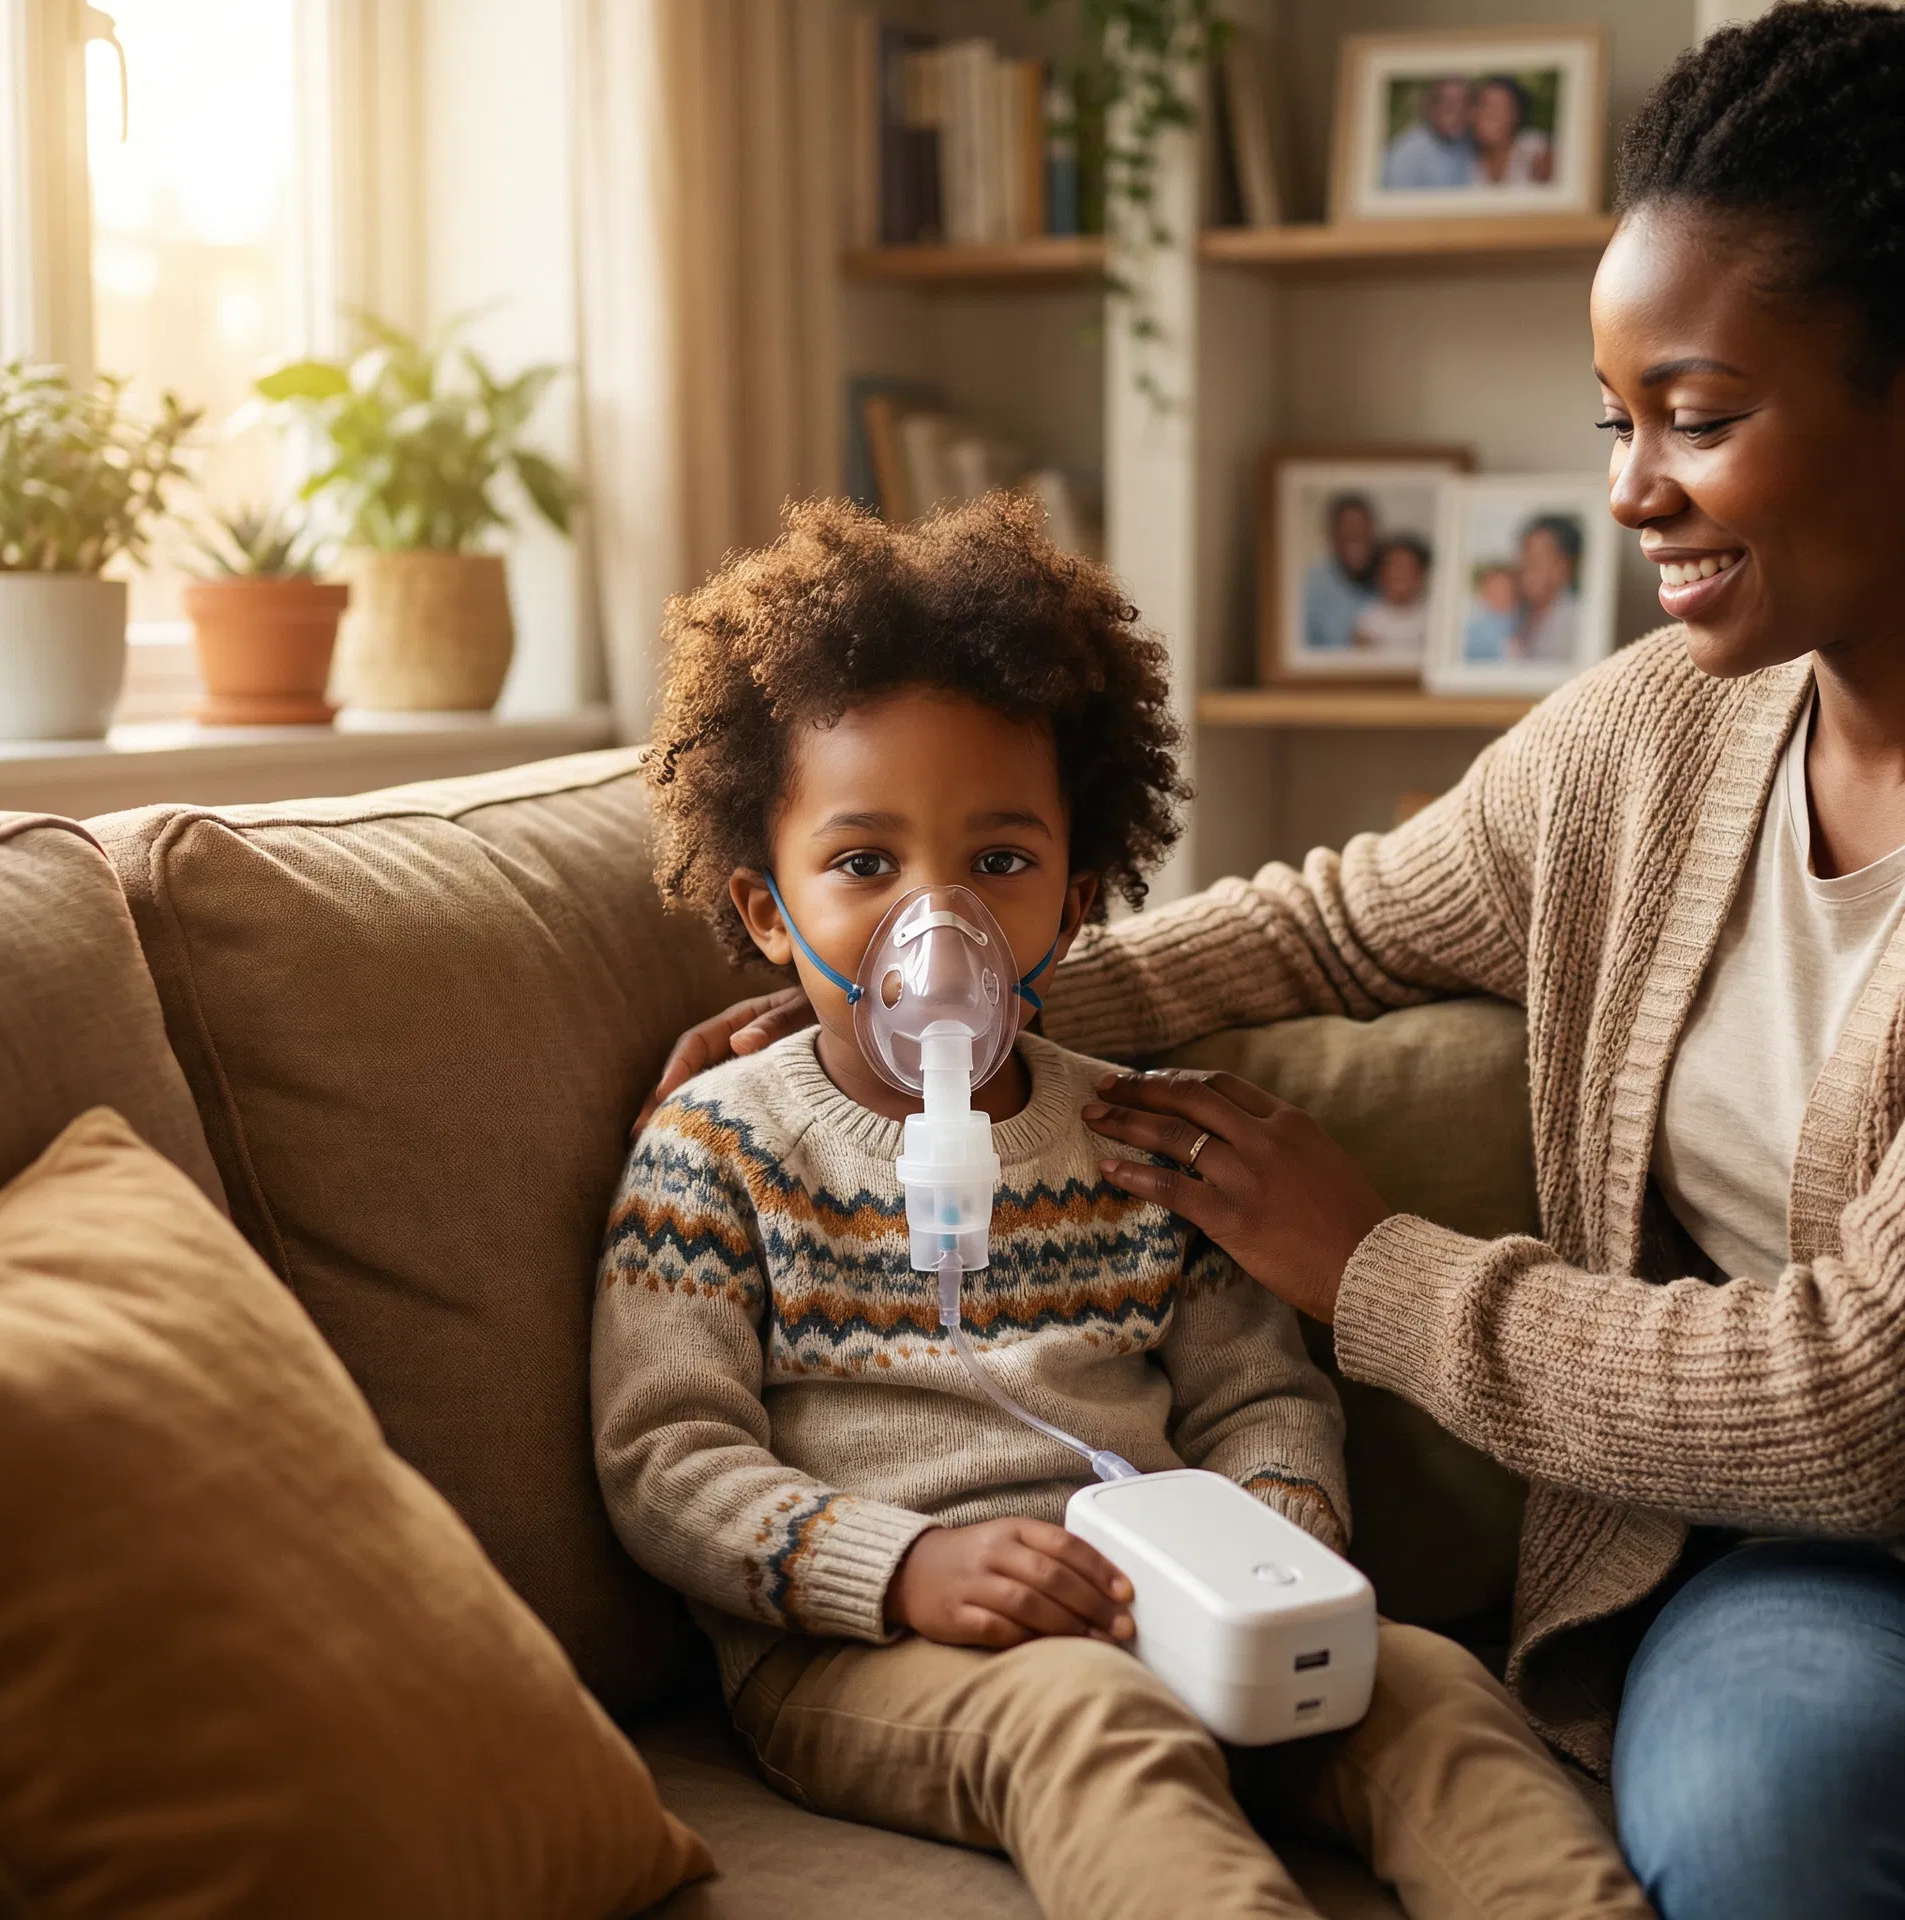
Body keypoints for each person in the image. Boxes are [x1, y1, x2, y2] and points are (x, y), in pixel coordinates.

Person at [637, 10, 1905, 1916]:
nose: (1633, 492)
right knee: (1761, 1815)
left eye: (1701, 419)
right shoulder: (1650, 745)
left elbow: (1863, 1400)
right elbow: (1334, 922)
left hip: (1847, 1479)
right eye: (1615, 424)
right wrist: (976, 1004)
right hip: (1780, 1573)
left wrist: (1374, 1279)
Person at [598, 495, 1651, 1920]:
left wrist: (1274, 1535)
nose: (938, 920)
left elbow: (1259, 1392)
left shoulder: (1130, 1132)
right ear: (770, 911)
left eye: (1000, 862)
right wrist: (898, 1567)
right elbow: (666, 1455)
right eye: (864, 865)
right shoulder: (717, 1148)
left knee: (1427, 1688)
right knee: (1098, 1723)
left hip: (1180, 1599)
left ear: (1075, 902)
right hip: (866, 1650)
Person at [1300, 491, 1378, 653]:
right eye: (1346, 529)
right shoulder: (1312, 587)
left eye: (1362, 527)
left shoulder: (1390, 576)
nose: (1356, 534)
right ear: (1331, 535)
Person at [1508, 515, 1581, 663]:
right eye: (1524, 556)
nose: (1526, 566)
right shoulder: (1513, 613)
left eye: (1538, 558)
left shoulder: (1576, 622)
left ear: (1564, 565)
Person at [1381, 77, 1476, 191]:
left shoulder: (1466, 143)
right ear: (1433, 108)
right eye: (1450, 105)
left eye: (1463, 104)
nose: (1458, 112)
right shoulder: (1405, 154)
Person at [1350, 534, 1432, 660]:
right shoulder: (1368, 619)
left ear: (1420, 577)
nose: (1400, 576)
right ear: (1380, 575)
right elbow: (1360, 664)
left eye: (1407, 569)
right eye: (1394, 568)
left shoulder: (1432, 618)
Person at [1471, 76, 1554, 187]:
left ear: (1516, 116)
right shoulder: (1467, 158)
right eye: (1484, 105)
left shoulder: (1534, 150)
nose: (1490, 115)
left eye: (1500, 108)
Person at [1462, 562, 1520, 662]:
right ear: (1484, 593)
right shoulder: (1477, 629)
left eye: (1505, 587)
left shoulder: (1520, 619)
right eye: (1495, 588)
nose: (1501, 593)